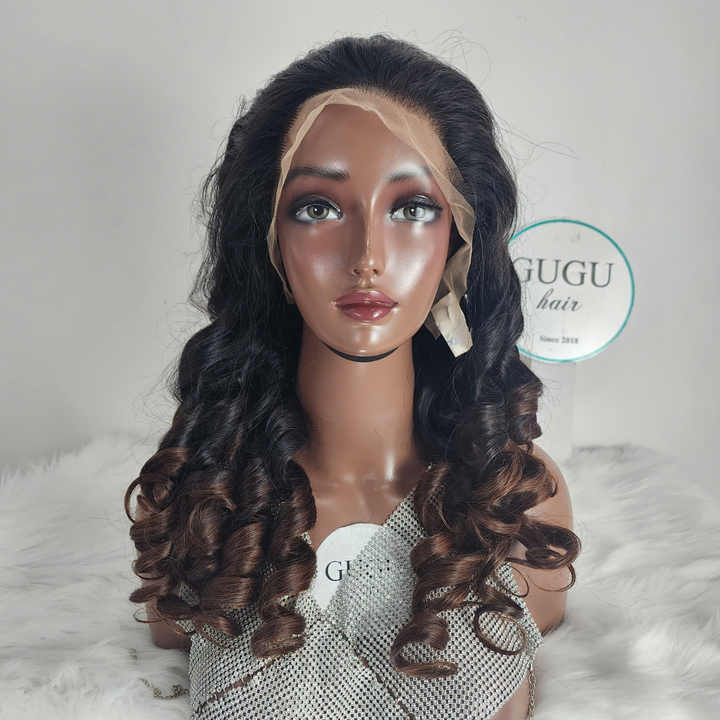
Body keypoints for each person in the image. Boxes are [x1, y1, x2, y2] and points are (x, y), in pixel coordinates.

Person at [126, 33, 580, 719]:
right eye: (319, 207)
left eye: (412, 208)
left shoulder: (516, 505)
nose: (367, 255)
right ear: (271, 240)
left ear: (458, 242)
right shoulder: (202, 503)